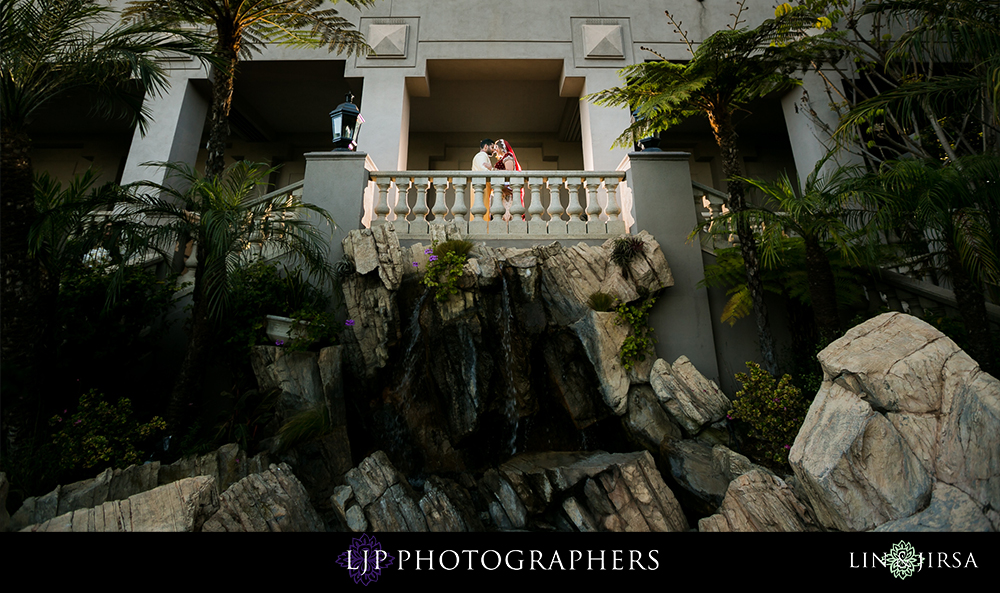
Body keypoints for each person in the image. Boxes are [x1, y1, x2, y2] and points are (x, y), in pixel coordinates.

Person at [492, 139, 523, 220]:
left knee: (507, 215)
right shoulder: (503, 158)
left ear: (499, 147)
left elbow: (509, 172)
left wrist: (492, 170)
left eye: (495, 148)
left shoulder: (508, 156)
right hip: (502, 191)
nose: (495, 151)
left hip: (507, 191)